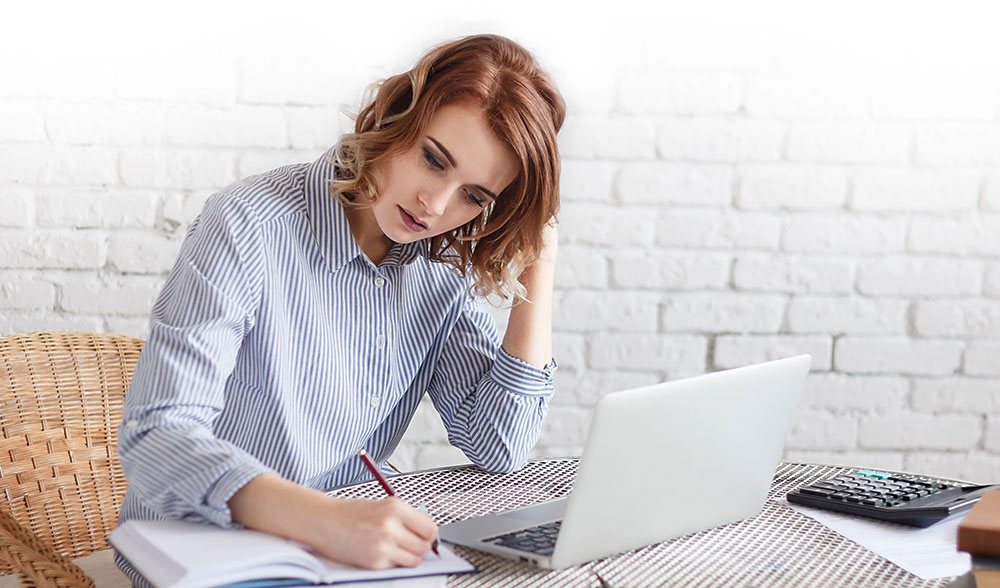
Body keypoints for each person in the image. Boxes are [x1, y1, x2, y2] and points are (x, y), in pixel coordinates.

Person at [115, 33, 565, 580]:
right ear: (398, 116)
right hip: (202, 551)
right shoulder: (248, 225)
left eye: (475, 196)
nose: (437, 205)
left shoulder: (438, 271)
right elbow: (158, 435)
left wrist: (539, 260)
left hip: (339, 559)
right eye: (433, 159)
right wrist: (329, 521)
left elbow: (500, 444)